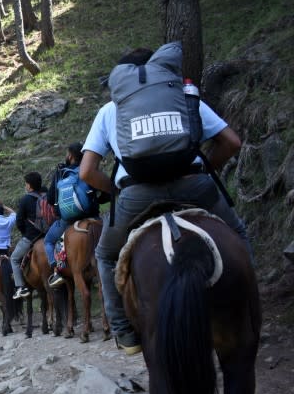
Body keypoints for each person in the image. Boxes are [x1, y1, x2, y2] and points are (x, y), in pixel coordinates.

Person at [79, 44, 248, 356]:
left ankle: (125, 332)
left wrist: (118, 192)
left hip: (137, 194)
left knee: (104, 255)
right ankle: (248, 308)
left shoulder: (110, 110)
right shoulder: (183, 96)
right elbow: (232, 142)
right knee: (236, 233)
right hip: (193, 185)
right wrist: (206, 172)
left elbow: (87, 172)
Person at [44, 143, 109, 289]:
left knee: (48, 241)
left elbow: (50, 198)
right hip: (93, 215)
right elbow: (106, 194)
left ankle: (56, 272)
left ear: (70, 156)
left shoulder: (60, 172)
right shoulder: (89, 169)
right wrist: (94, 200)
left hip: (67, 220)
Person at [10, 173, 46, 299]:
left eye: (26, 183)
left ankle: (21, 287)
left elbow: (19, 221)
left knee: (14, 259)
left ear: (29, 186)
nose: (25, 186)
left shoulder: (26, 199)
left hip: (32, 237)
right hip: (48, 234)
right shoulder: (46, 196)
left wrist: (25, 234)